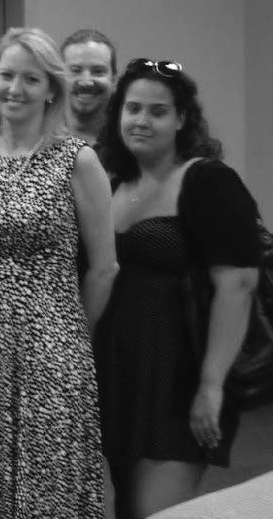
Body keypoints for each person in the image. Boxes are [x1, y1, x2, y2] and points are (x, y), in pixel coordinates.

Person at [0, 27, 116, 518]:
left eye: (31, 79)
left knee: (47, 489)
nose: (15, 88)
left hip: (54, 350)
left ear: (51, 91)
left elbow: (105, 268)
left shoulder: (77, 160)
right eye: (7, 75)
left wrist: (69, 337)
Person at [94, 60, 259, 519]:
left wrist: (211, 385)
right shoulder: (113, 183)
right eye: (132, 108)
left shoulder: (207, 180)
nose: (142, 121)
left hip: (179, 381)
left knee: (158, 511)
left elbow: (238, 285)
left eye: (158, 111)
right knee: (128, 506)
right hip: (121, 375)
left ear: (183, 118)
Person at [60, 29, 118, 146]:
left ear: (114, 80)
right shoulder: (37, 141)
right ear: (59, 78)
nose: (86, 82)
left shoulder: (129, 144)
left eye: (98, 71)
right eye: (75, 70)